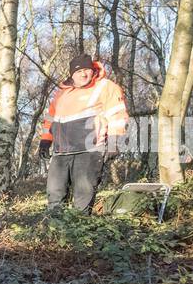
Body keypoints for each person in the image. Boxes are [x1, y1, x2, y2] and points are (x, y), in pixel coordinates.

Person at [39, 53, 129, 213]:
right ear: (72, 74)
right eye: (79, 71)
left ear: (93, 70)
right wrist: (46, 140)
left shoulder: (106, 87)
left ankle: (79, 233)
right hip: (61, 153)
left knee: (83, 197)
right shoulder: (62, 93)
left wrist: (114, 142)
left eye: (87, 70)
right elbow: (50, 119)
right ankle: (54, 232)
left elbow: (117, 116)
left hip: (89, 151)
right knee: (54, 195)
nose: (83, 74)